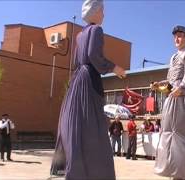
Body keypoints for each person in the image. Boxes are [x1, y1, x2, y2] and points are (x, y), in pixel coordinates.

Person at [50, 0, 126, 179]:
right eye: (102, 10)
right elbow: (94, 55)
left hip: (77, 80)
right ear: (95, 11)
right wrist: (115, 68)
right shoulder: (96, 30)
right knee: (93, 127)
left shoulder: (80, 35)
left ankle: (74, 169)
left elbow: (78, 60)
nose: (104, 14)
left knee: (77, 123)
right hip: (89, 80)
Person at [152, 25, 185, 179]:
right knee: (168, 135)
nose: (177, 38)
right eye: (175, 36)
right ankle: (172, 171)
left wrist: (181, 89)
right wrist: (159, 84)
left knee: (182, 137)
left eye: (180, 36)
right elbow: (170, 80)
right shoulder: (173, 57)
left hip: (183, 101)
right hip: (171, 100)